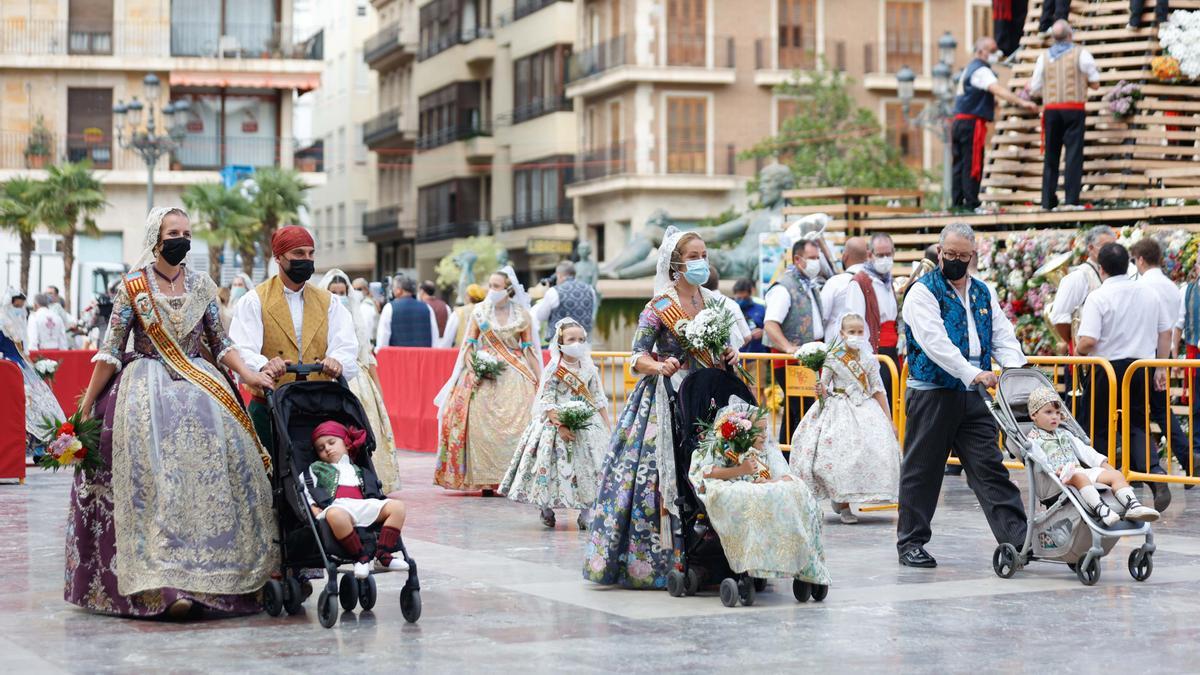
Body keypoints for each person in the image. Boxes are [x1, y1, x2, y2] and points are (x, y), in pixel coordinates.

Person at [69, 207, 276, 619]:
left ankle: (224, 577)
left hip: (201, 383)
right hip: (144, 388)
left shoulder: (202, 285)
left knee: (235, 460)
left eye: (186, 232)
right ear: (155, 238)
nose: (181, 239)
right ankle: (163, 587)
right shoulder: (133, 288)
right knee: (151, 476)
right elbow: (111, 351)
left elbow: (221, 344)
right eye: (173, 232)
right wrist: (88, 402)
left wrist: (249, 373)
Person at [584, 227, 741, 589]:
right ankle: (667, 556)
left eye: (704, 254)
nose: (700, 261)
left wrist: (731, 354)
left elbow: (724, 346)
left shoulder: (714, 303)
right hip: (670, 396)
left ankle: (730, 549)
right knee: (661, 476)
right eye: (693, 256)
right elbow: (635, 356)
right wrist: (658, 366)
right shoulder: (658, 307)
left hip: (712, 394)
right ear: (675, 263)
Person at [897, 223, 1029, 568]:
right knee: (922, 471)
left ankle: (1017, 538)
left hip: (974, 394)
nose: (955, 261)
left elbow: (1001, 335)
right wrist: (973, 373)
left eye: (963, 256)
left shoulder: (983, 292)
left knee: (990, 467)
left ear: (973, 256)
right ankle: (911, 542)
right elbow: (935, 343)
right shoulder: (922, 292)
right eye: (950, 254)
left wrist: (1015, 369)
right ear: (940, 253)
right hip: (934, 392)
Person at [228, 225, 360, 449]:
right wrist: (264, 365)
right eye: (299, 253)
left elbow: (346, 344)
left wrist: (336, 360)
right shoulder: (254, 300)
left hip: (318, 404)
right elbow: (241, 348)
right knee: (267, 473)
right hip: (269, 404)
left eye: (310, 253)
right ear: (279, 257)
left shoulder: (329, 302)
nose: (306, 259)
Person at [1075, 242, 1174, 512]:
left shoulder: (1099, 296)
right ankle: (1155, 474)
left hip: (1106, 368)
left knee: (1099, 427)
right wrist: (1160, 366)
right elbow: (1165, 332)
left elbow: (1089, 340)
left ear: (1101, 268)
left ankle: (1104, 485)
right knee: (1138, 424)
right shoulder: (1149, 292)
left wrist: (1077, 348)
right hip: (1140, 366)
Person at [689, 397, 831, 584]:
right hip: (731, 483)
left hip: (758, 487)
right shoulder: (726, 448)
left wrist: (774, 480)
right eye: (759, 430)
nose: (765, 435)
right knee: (756, 498)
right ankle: (753, 561)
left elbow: (772, 475)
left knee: (794, 489)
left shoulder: (764, 452)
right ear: (745, 431)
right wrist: (740, 471)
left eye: (766, 429)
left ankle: (803, 559)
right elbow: (707, 472)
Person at [434, 267, 542, 494]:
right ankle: (485, 481)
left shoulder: (522, 315)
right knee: (480, 426)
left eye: (496, 286)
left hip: (516, 374)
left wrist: (540, 380)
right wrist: (474, 367)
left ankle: (512, 478)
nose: (491, 290)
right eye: (490, 286)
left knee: (518, 425)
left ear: (508, 289)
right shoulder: (479, 313)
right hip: (484, 373)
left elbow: (528, 349)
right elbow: (469, 344)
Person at [500, 318, 611, 529]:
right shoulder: (554, 368)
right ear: (560, 341)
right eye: (571, 339)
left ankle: (586, 511)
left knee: (590, 468)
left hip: (587, 423)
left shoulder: (589, 368)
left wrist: (607, 426)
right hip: (556, 423)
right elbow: (547, 399)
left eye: (581, 339)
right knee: (549, 467)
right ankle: (546, 507)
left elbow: (597, 398)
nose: (576, 343)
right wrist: (560, 424)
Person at [791, 313, 899, 524]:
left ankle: (851, 497)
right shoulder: (833, 356)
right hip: (838, 406)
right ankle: (843, 503)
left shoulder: (868, 358)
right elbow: (824, 386)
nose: (856, 335)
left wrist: (889, 419)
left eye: (860, 332)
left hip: (864, 407)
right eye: (852, 332)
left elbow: (877, 389)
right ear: (842, 333)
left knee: (870, 452)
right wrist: (820, 390)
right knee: (838, 456)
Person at [319, 269, 402, 494]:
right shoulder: (319, 319)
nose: (339, 296)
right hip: (329, 379)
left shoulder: (356, 318)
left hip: (360, 381)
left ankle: (369, 480)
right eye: (333, 292)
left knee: (366, 431)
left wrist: (378, 389)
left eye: (342, 292)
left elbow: (367, 354)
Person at [1025, 386, 1160, 525]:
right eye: (1048, 412)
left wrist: (1106, 466)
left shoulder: (1064, 433)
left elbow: (1085, 451)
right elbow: (1039, 460)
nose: (1055, 416)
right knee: (1080, 477)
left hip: (1079, 471)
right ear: (1034, 415)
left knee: (1116, 475)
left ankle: (1133, 506)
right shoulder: (1033, 439)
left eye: (1058, 412)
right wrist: (1054, 471)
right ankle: (1102, 510)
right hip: (1058, 478)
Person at [305, 421, 409, 579]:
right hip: (339, 506)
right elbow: (305, 487)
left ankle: (383, 555)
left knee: (397, 507)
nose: (327, 448)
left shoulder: (359, 470)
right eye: (321, 448)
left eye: (331, 442)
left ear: (346, 444)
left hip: (362, 503)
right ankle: (360, 557)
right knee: (335, 514)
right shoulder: (316, 468)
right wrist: (312, 506)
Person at [1134, 238, 1200, 479]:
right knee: (1162, 410)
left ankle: (1146, 467)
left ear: (1140, 259)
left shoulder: (1140, 285)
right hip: (1161, 353)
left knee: (1137, 413)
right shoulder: (1172, 286)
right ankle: (1186, 457)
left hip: (1142, 353)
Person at [952, 37, 1039, 212]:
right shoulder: (982, 70)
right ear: (980, 51)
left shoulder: (969, 68)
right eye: (991, 50)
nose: (995, 54)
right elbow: (997, 89)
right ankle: (971, 203)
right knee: (972, 162)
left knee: (960, 164)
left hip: (960, 122)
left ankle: (958, 203)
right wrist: (1021, 102)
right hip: (971, 124)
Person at [1030, 21, 1101, 211]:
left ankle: (1047, 202)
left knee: (1051, 156)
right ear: (1070, 35)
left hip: (1051, 109)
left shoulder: (1043, 57)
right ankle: (1071, 201)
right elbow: (1095, 82)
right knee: (1073, 154)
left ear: (1054, 37)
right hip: (1074, 109)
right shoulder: (1081, 53)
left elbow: (1034, 88)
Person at [763, 238, 825, 443]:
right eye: (812, 258)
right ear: (798, 259)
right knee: (802, 412)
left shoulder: (808, 284)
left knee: (794, 413)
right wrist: (788, 347)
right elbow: (770, 324)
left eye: (818, 257)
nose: (817, 262)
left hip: (806, 358)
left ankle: (789, 461)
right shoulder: (784, 287)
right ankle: (794, 459)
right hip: (791, 361)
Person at [1, 289, 64, 458]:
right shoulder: (2, 322)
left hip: (22, 367)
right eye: (16, 306)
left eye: (21, 306)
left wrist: (33, 366)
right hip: (8, 368)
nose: (19, 309)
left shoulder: (20, 321)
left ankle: (38, 443)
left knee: (37, 402)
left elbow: (24, 349)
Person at [845, 233, 901, 404]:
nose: (885, 258)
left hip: (893, 352)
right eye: (880, 255)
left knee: (893, 403)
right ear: (870, 255)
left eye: (888, 254)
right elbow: (854, 324)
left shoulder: (888, 281)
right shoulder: (860, 282)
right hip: (874, 353)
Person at [1050, 226, 1115, 352]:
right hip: (1086, 357)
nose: (1112, 251)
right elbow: (1060, 318)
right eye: (1106, 246)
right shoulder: (1078, 276)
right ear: (1090, 248)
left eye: (1114, 246)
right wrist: (1075, 344)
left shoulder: (1117, 272)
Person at [819, 237, 869, 338]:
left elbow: (822, 316)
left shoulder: (834, 283)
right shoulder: (875, 282)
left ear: (845, 256)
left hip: (837, 348)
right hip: (869, 347)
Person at [532, 260, 598, 335]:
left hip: (560, 342)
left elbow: (541, 316)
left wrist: (547, 293)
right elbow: (591, 312)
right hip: (584, 340)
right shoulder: (590, 289)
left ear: (559, 275)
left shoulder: (553, 291)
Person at [376, 276, 438, 348]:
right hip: (423, 358)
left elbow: (382, 340)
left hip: (397, 358)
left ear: (399, 290)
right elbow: (435, 339)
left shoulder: (389, 308)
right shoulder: (427, 308)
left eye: (393, 288)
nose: (392, 290)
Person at [704, 266, 752, 348]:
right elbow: (746, 336)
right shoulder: (731, 304)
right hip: (729, 358)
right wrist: (732, 349)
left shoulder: (691, 302)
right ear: (717, 282)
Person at [440, 283, 486, 348]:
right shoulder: (487, 312)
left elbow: (448, 337)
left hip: (461, 352)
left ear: (469, 296)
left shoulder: (459, 312)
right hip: (483, 354)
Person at [733, 278, 767, 353]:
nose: (742, 301)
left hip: (758, 357)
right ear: (734, 295)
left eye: (745, 298)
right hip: (736, 357)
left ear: (750, 294)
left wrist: (763, 333)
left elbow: (772, 329)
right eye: (739, 298)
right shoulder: (730, 309)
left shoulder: (761, 309)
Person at [351, 277, 380, 342]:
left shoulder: (366, 306)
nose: (356, 292)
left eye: (358, 289)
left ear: (366, 289)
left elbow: (366, 330)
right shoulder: (362, 303)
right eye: (353, 289)